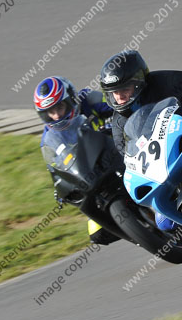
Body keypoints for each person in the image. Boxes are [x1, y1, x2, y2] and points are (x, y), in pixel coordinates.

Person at [34, 76, 120, 245]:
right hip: (94, 174)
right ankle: (147, 235)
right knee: (98, 234)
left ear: (71, 99)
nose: (57, 115)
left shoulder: (88, 100)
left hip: (118, 148)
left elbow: (119, 107)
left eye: (60, 107)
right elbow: (56, 167)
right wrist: (61, 186)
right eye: (51, 112)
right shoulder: (49, 138)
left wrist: (113, 124)